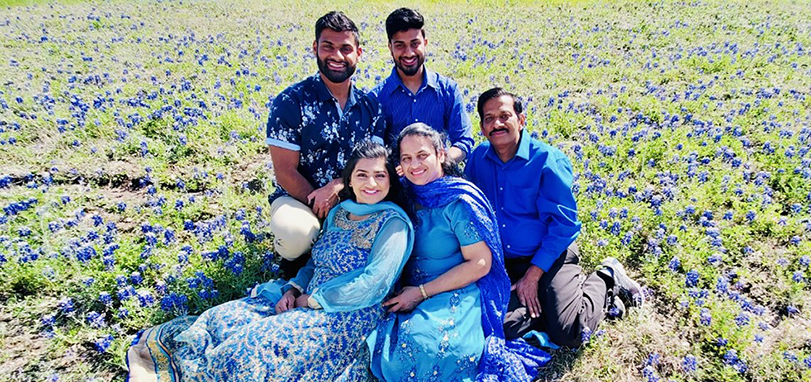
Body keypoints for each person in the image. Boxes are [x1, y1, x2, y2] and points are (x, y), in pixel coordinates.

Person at [125, 142, 422, 382]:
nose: (370, 183)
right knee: (222, 322)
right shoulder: (341, 212)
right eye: (361, 174)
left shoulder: (394, 222)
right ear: (348, 179)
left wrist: (314, 302)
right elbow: (315, 263)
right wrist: (294, 289)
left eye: (380, 175)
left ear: (389, 181)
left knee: (258, 348)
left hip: (349, 316)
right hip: (311, 299)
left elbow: (375, 283)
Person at [369, 123, 550, 382]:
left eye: (423, 155)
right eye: (407, 158)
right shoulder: (401, 193)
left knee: (429, 343)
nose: (415, 165)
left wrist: (421, 293)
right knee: (387, 342)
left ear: (441, 154)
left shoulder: (457, 200)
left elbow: (479, 263)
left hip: (457, 286)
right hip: (410, 286)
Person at [465, 87, 644, 349]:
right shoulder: (477, 160)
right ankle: (550, 305)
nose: (497, 124)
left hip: (550, 254)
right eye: (489, 119)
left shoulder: (547, 160)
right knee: (498, 324)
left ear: (521, 119)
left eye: (504, 115)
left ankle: (606, 277)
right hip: (506, 260)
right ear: (481, 127)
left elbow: (564, 225)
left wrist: (533, 275)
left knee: (571, 332)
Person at [266, 11, 386, 277]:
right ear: (315, 49)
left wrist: (338, 186)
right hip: (299, 197)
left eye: (346, 48)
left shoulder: (372, 107)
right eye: (327, 46)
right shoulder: (291, 101)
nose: (337, 56)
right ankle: (297, 258)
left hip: (356, 198)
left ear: (358, 53)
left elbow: (376, 164)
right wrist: (319, 206)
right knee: (297, 234)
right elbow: (285, 172)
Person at [372, 7, 473, 164]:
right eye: (400, 45)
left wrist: (437, 162)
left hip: (439, 175)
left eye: (415, 44)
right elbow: (373, 150)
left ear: (425, 43)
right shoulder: (377, 97)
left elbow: (463, 141)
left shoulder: (447, 90)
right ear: (390, 47)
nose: (409, 53)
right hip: (397, 181)